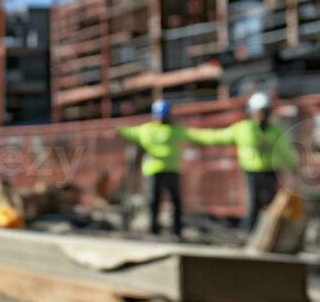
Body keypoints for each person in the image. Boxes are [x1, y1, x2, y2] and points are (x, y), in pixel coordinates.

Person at [189, 92, 298, 229]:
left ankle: (268, 232)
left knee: (270, 204)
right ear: (251, 112)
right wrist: (190, 134)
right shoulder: (243, 128)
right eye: (258, 112)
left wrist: (293, 165)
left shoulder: (275, 131)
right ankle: (250, 231)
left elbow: (284, 150)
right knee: (253, 204)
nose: (261, 116)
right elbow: (217, 136)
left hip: (270, 172)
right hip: (251, 172)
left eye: (263, 112)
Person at [117, 99, 190, 237]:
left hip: (167, 170)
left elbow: (129, 132)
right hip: (158, 171)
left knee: (168, 202)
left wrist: (118, 128)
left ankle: (171, 230)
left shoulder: (156, 130)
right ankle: (157, 230)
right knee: (155, 202)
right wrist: (118, 128)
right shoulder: (152, 130)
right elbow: (129, 132)